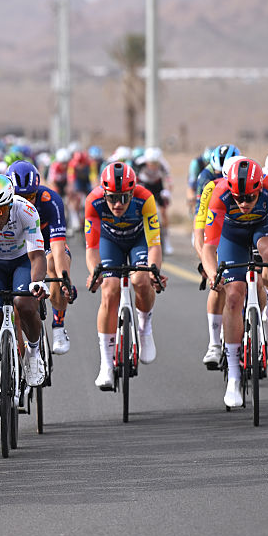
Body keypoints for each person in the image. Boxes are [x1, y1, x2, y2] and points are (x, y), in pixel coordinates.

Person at [200, 158, 268, 407]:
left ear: (259, 189)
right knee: (233, 295)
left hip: (262, 228)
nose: (243, 203)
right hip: (230, 236)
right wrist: (213, 274)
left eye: (250, 198)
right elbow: (208, 248)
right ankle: (233, 374)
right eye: (238, 198)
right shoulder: (219, 194)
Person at [0, 174, 50, 425]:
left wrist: (37, 282)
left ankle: (34, 353)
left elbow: (38, 255)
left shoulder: (26, 210)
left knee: (24, 303)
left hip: (22, 261)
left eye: (0, 211)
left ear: (10, 206)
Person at [84, 162, 166, 389]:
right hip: (109, 242)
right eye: (112, 198)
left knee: (141, 280)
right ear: (104, 194)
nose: (118, 204)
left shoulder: (145, 198)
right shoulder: (93, 200)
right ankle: (106, 365)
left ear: (132, 193)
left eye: (123, 198)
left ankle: (144, 327)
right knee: (109, 290)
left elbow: (155, 245)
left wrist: (154, 271)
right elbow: (91, 249)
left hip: (139, 241)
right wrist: (95, 272)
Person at [6, 160, 75, 354]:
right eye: (19, 197)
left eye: (30, 196)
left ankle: (59, 325)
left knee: (53, 261)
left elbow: (58, 246)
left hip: (45, 246)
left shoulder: (50, 200)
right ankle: (17, 360)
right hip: (17, 250)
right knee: (15, 307)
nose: (25, 202)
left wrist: (64, 280)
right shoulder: (1, 204)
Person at [193, 153, 245, 368]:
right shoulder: (211, 188)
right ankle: (214, 344)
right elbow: (201, 232)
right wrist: (208, 266)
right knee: (219, 286)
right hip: (221, 234)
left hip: (249, 232)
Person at [134, 147, 174, 254]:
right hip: (144, 185)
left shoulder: (163, 164)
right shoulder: (139, 163)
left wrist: (167, 191)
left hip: (157, 185)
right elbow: (133, 179)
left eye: (155, 163)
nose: (153, 166)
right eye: (150, 163)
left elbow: (169, 180)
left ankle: (166, 241)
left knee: (163, 211)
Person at [187, 147, 214, 214]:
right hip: (197, 179)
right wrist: (192, 198)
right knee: (193, 196)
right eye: (207, 163)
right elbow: (192, 183)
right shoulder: (196, 163)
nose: (208, 166)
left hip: (210, 180)